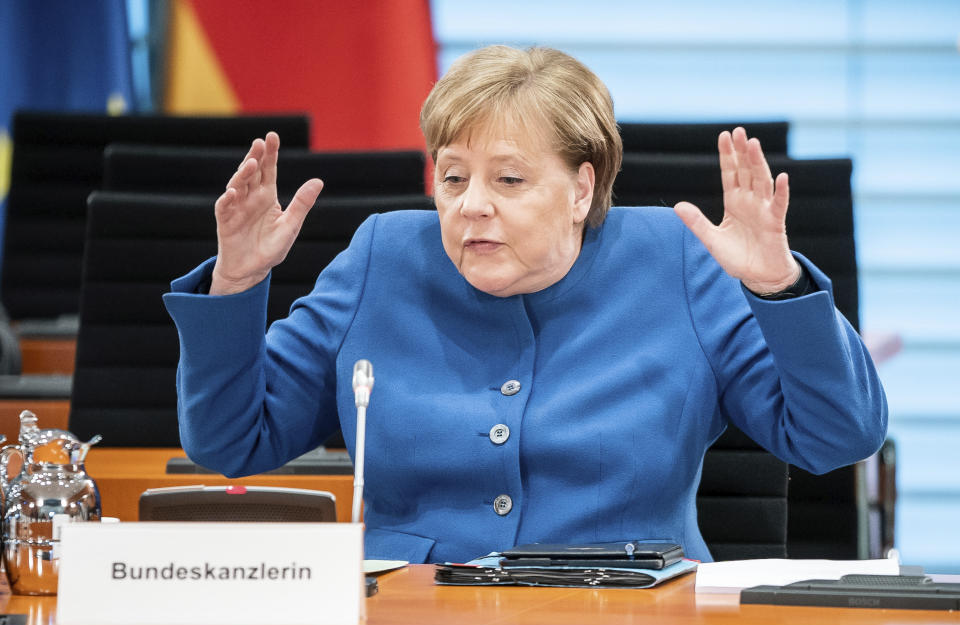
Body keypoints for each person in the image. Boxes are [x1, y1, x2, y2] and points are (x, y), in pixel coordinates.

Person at [163, 45, 887, 564]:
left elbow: (836, 436)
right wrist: (235, 285)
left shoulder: (677, 262)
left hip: (624, 613)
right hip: (416, 613)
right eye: (452, 178)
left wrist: (778, 286)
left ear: (580, 188)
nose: (471, 206)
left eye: (508, 180)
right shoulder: (381, 257)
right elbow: (233, 443)